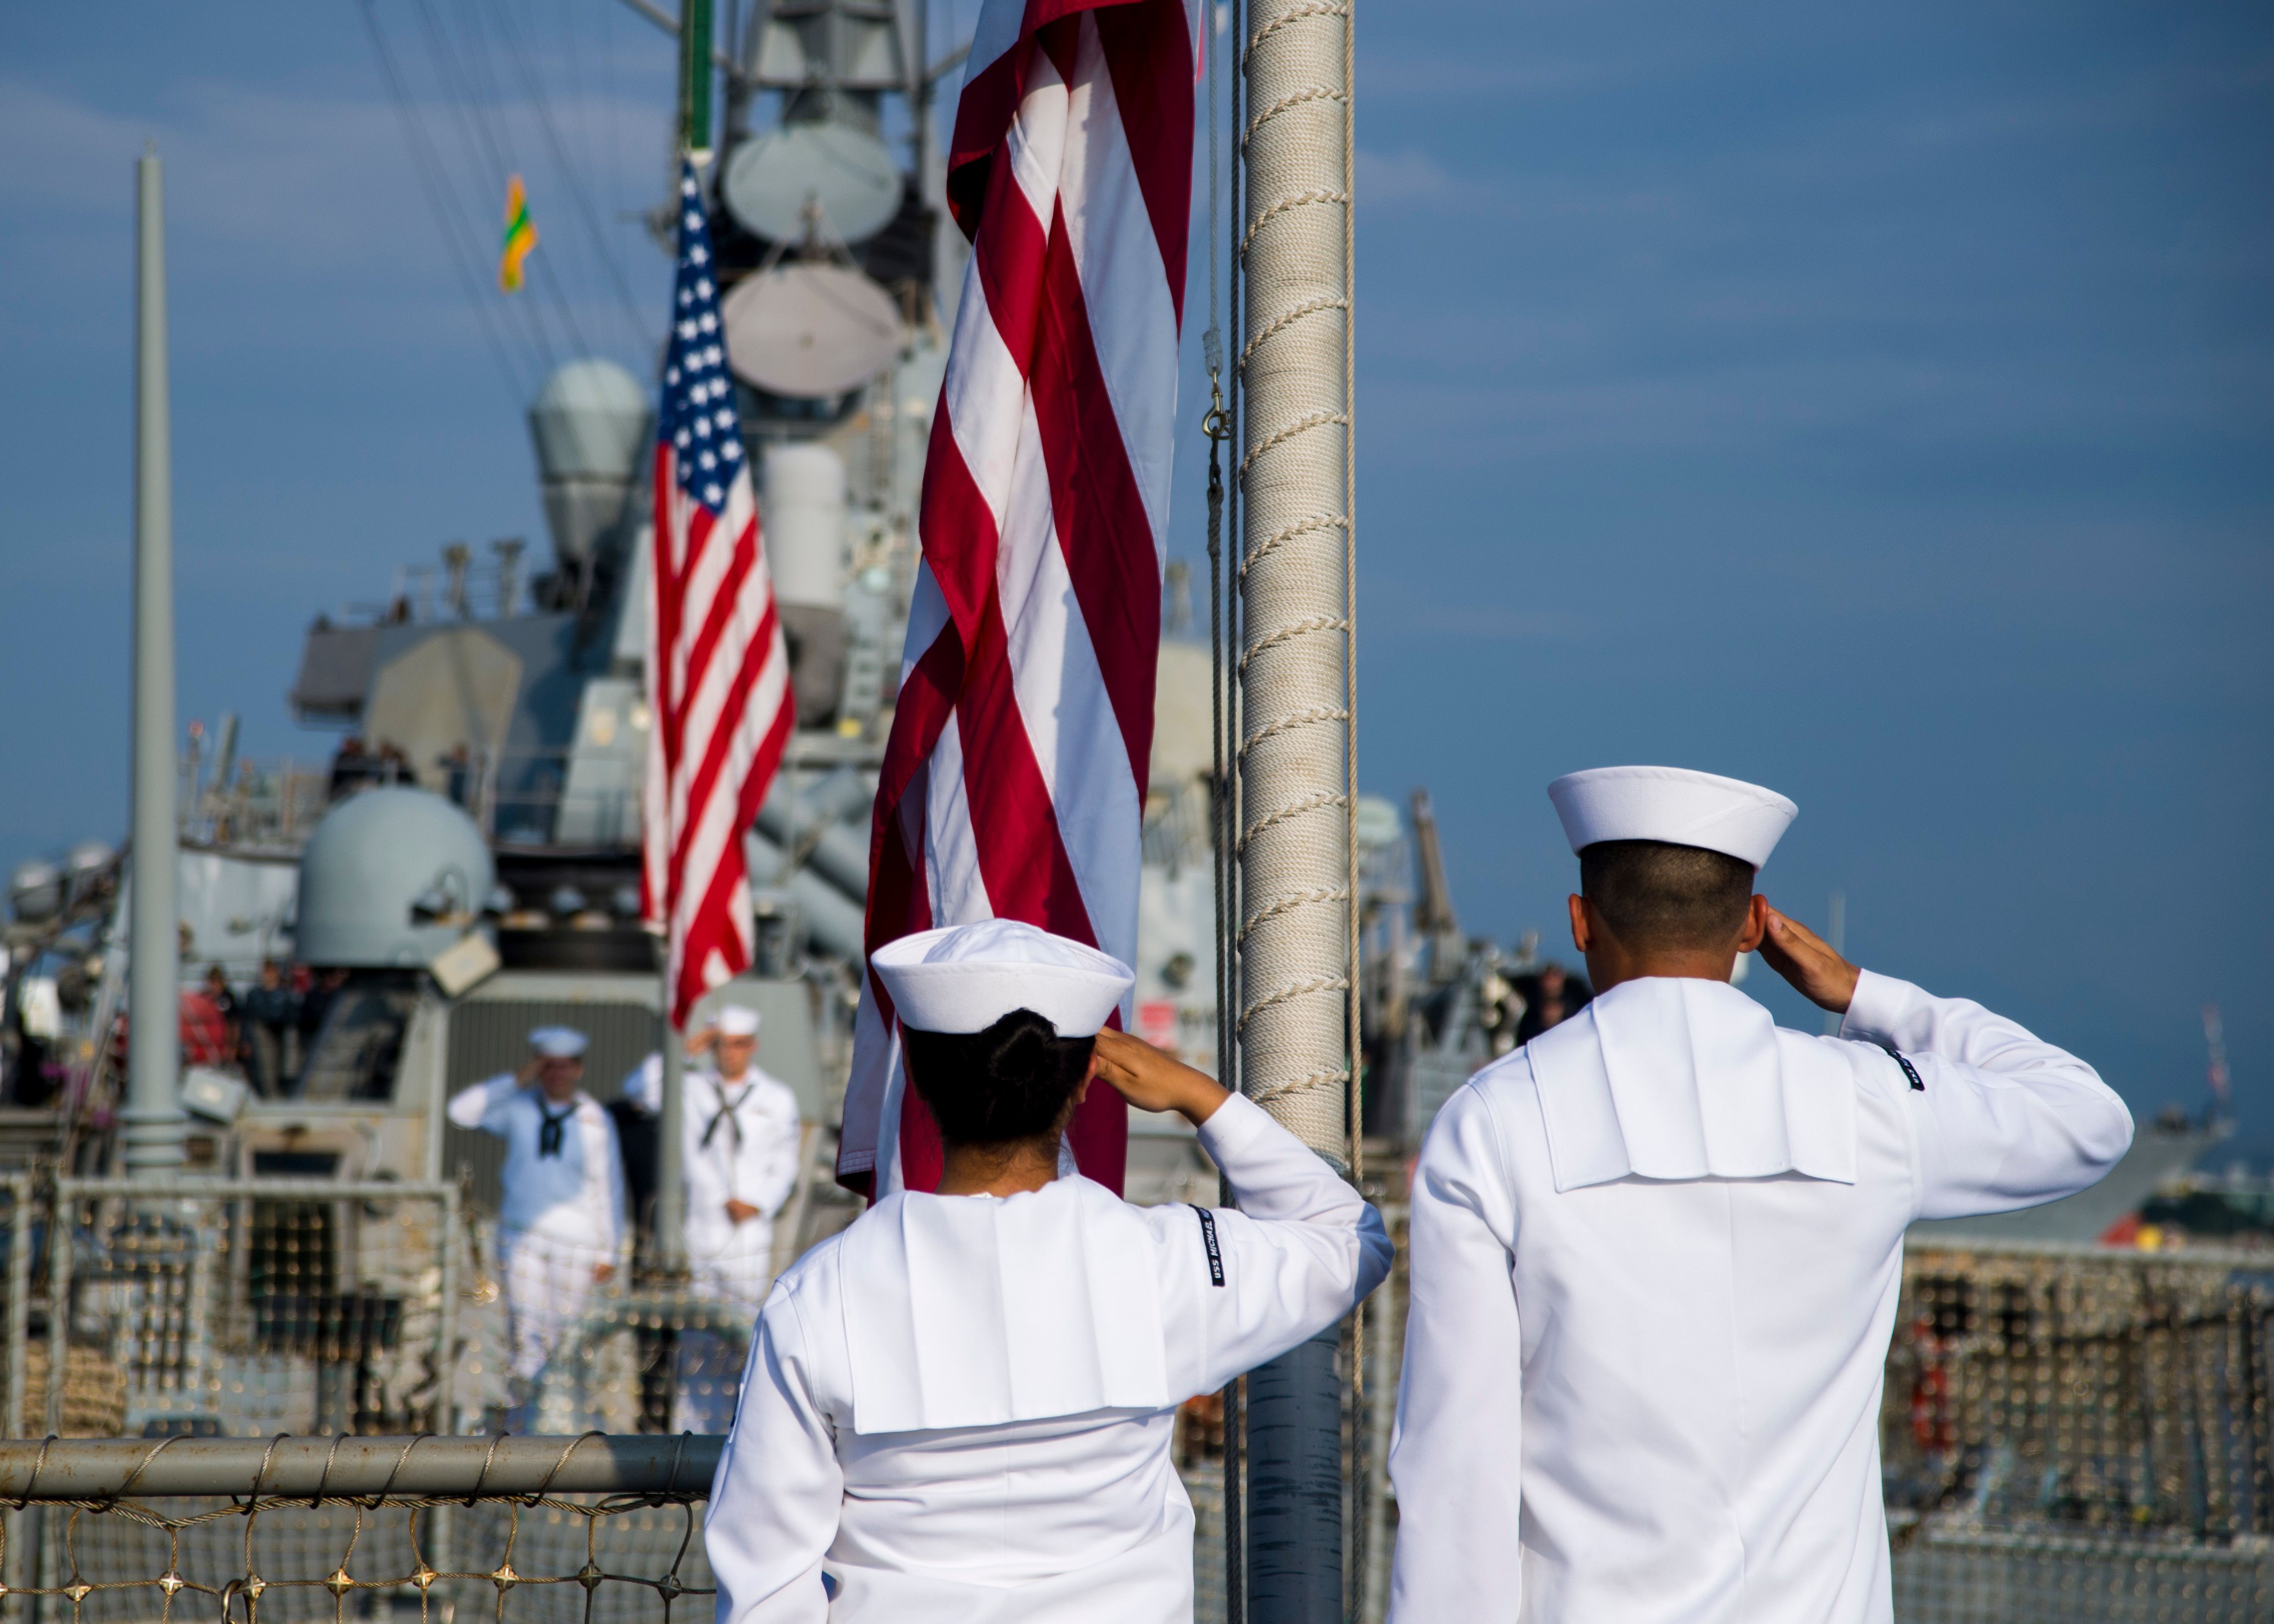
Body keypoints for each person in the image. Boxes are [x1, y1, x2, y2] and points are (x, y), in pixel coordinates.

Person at [1387, 765, 2134, 1623]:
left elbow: (1454, 1465)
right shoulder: (1869, 1104)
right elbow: (2088, 1116)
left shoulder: (1492, 1121)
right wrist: (1861, 991)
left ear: (1579, 919)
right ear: (1752, 925)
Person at [706, 919, 1392, 1623]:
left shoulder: (819, 1296)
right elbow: (1350, 1237)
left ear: (913, 1072)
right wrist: (1197, 1096)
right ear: (1083, 1081)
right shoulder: (1169, 1263)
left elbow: (767, 1579)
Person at [448, 1026, 625, 1386]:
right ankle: (525, 1422)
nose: (557, 1075)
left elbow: (608, 1185)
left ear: (578, 1069)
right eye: (549, 1067)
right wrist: (516, 1080)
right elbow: (460, 1112)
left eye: (564, 1066)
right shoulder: (517, 1107)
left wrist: (610, 1247)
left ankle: (564, 1417)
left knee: (568, 1328)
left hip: (577, 1237)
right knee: (525, 1327)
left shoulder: (594, 1117)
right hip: (521, 1232)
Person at [623, 1005, 802, 1313]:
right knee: (696, 1324)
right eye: (721, 1044)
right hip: (701, 1224)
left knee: (745, 1322)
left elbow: (786, 1162)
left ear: (752, 1047)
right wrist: (687, 1049)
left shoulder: (776, 1097)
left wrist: (759, 1202)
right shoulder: (690, 1088)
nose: (730, 1053)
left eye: (738, 1044)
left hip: (748, 1230)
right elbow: (637, 1090)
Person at [240, 959, 300, 1097]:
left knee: (286, 1070)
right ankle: (270, 1095)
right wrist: (245, 1040)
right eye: (265, 971)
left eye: (271, 971)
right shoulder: (254, 995)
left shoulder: (285, 995)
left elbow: (292, 1017)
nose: (267, 975)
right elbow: (246, 1019)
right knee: (265, 1071)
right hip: (262, 1036)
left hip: (281, 1035)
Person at [1511, 957, 1590, 1044]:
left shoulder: (1577, 996)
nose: (1551, 982)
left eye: (1554, 977)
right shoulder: (1528, 996)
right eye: (1548, 978)